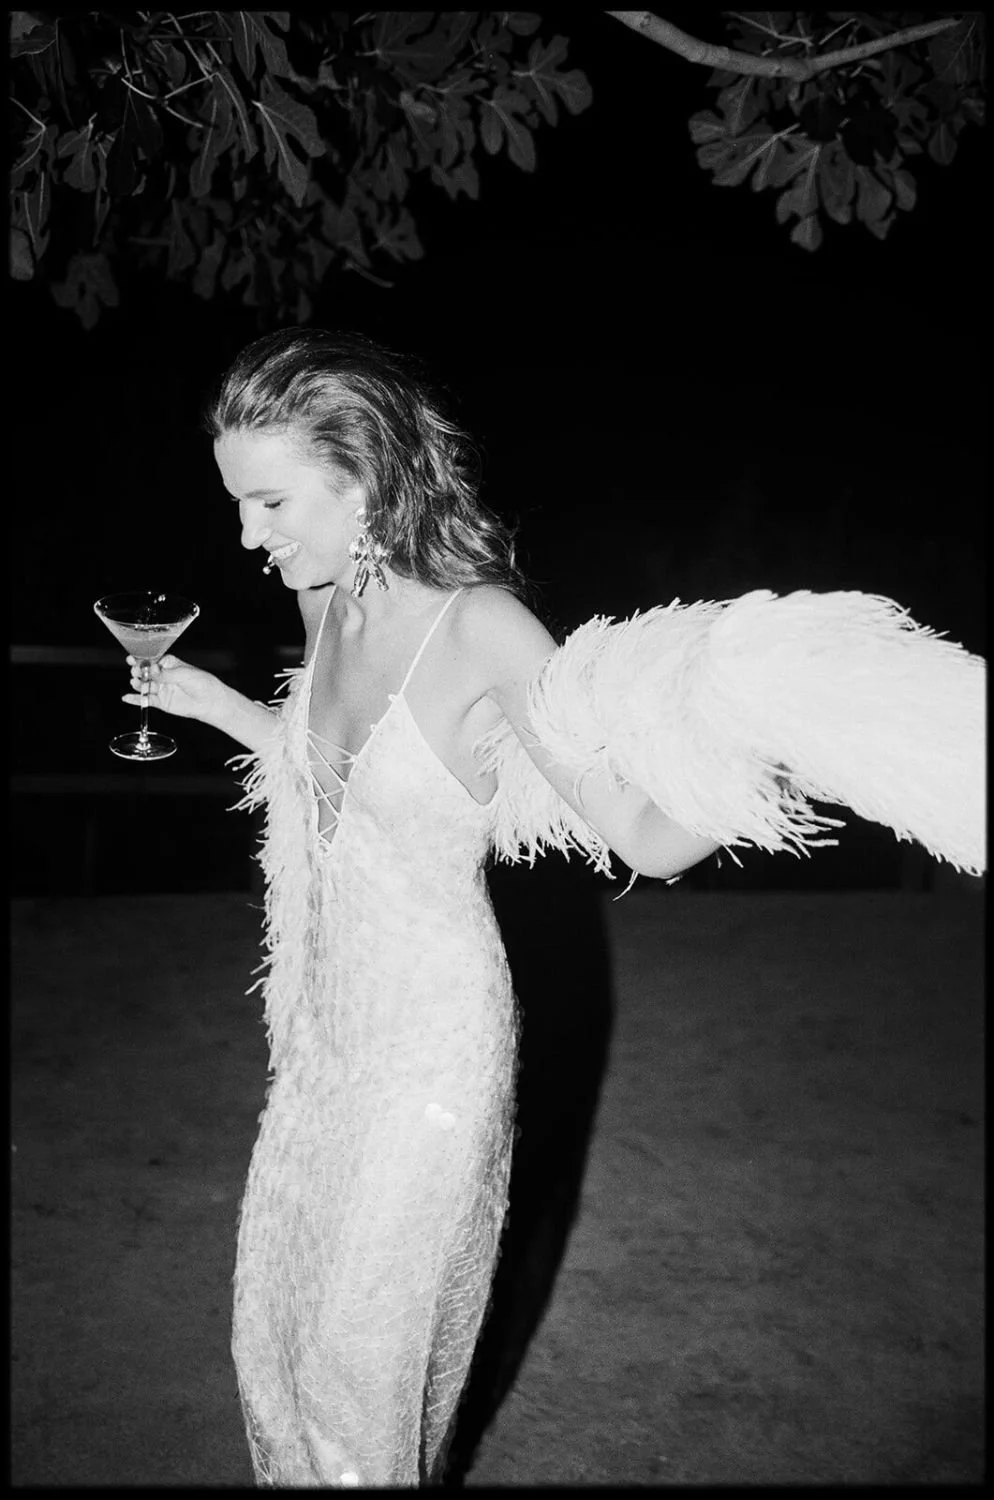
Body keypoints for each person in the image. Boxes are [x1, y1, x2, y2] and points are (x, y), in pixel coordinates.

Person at [122, 328, 723, 1488]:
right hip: (323, 1036)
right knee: (281, 1331)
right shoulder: (326, 597)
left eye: (270, 501)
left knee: (361, 1368)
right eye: (239, 505)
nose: (248, 536)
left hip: (432, 1050)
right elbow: (325, 776)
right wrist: (212, 702)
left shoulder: (482, 627)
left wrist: (768, 753)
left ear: (365, 478)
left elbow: (642, 833)